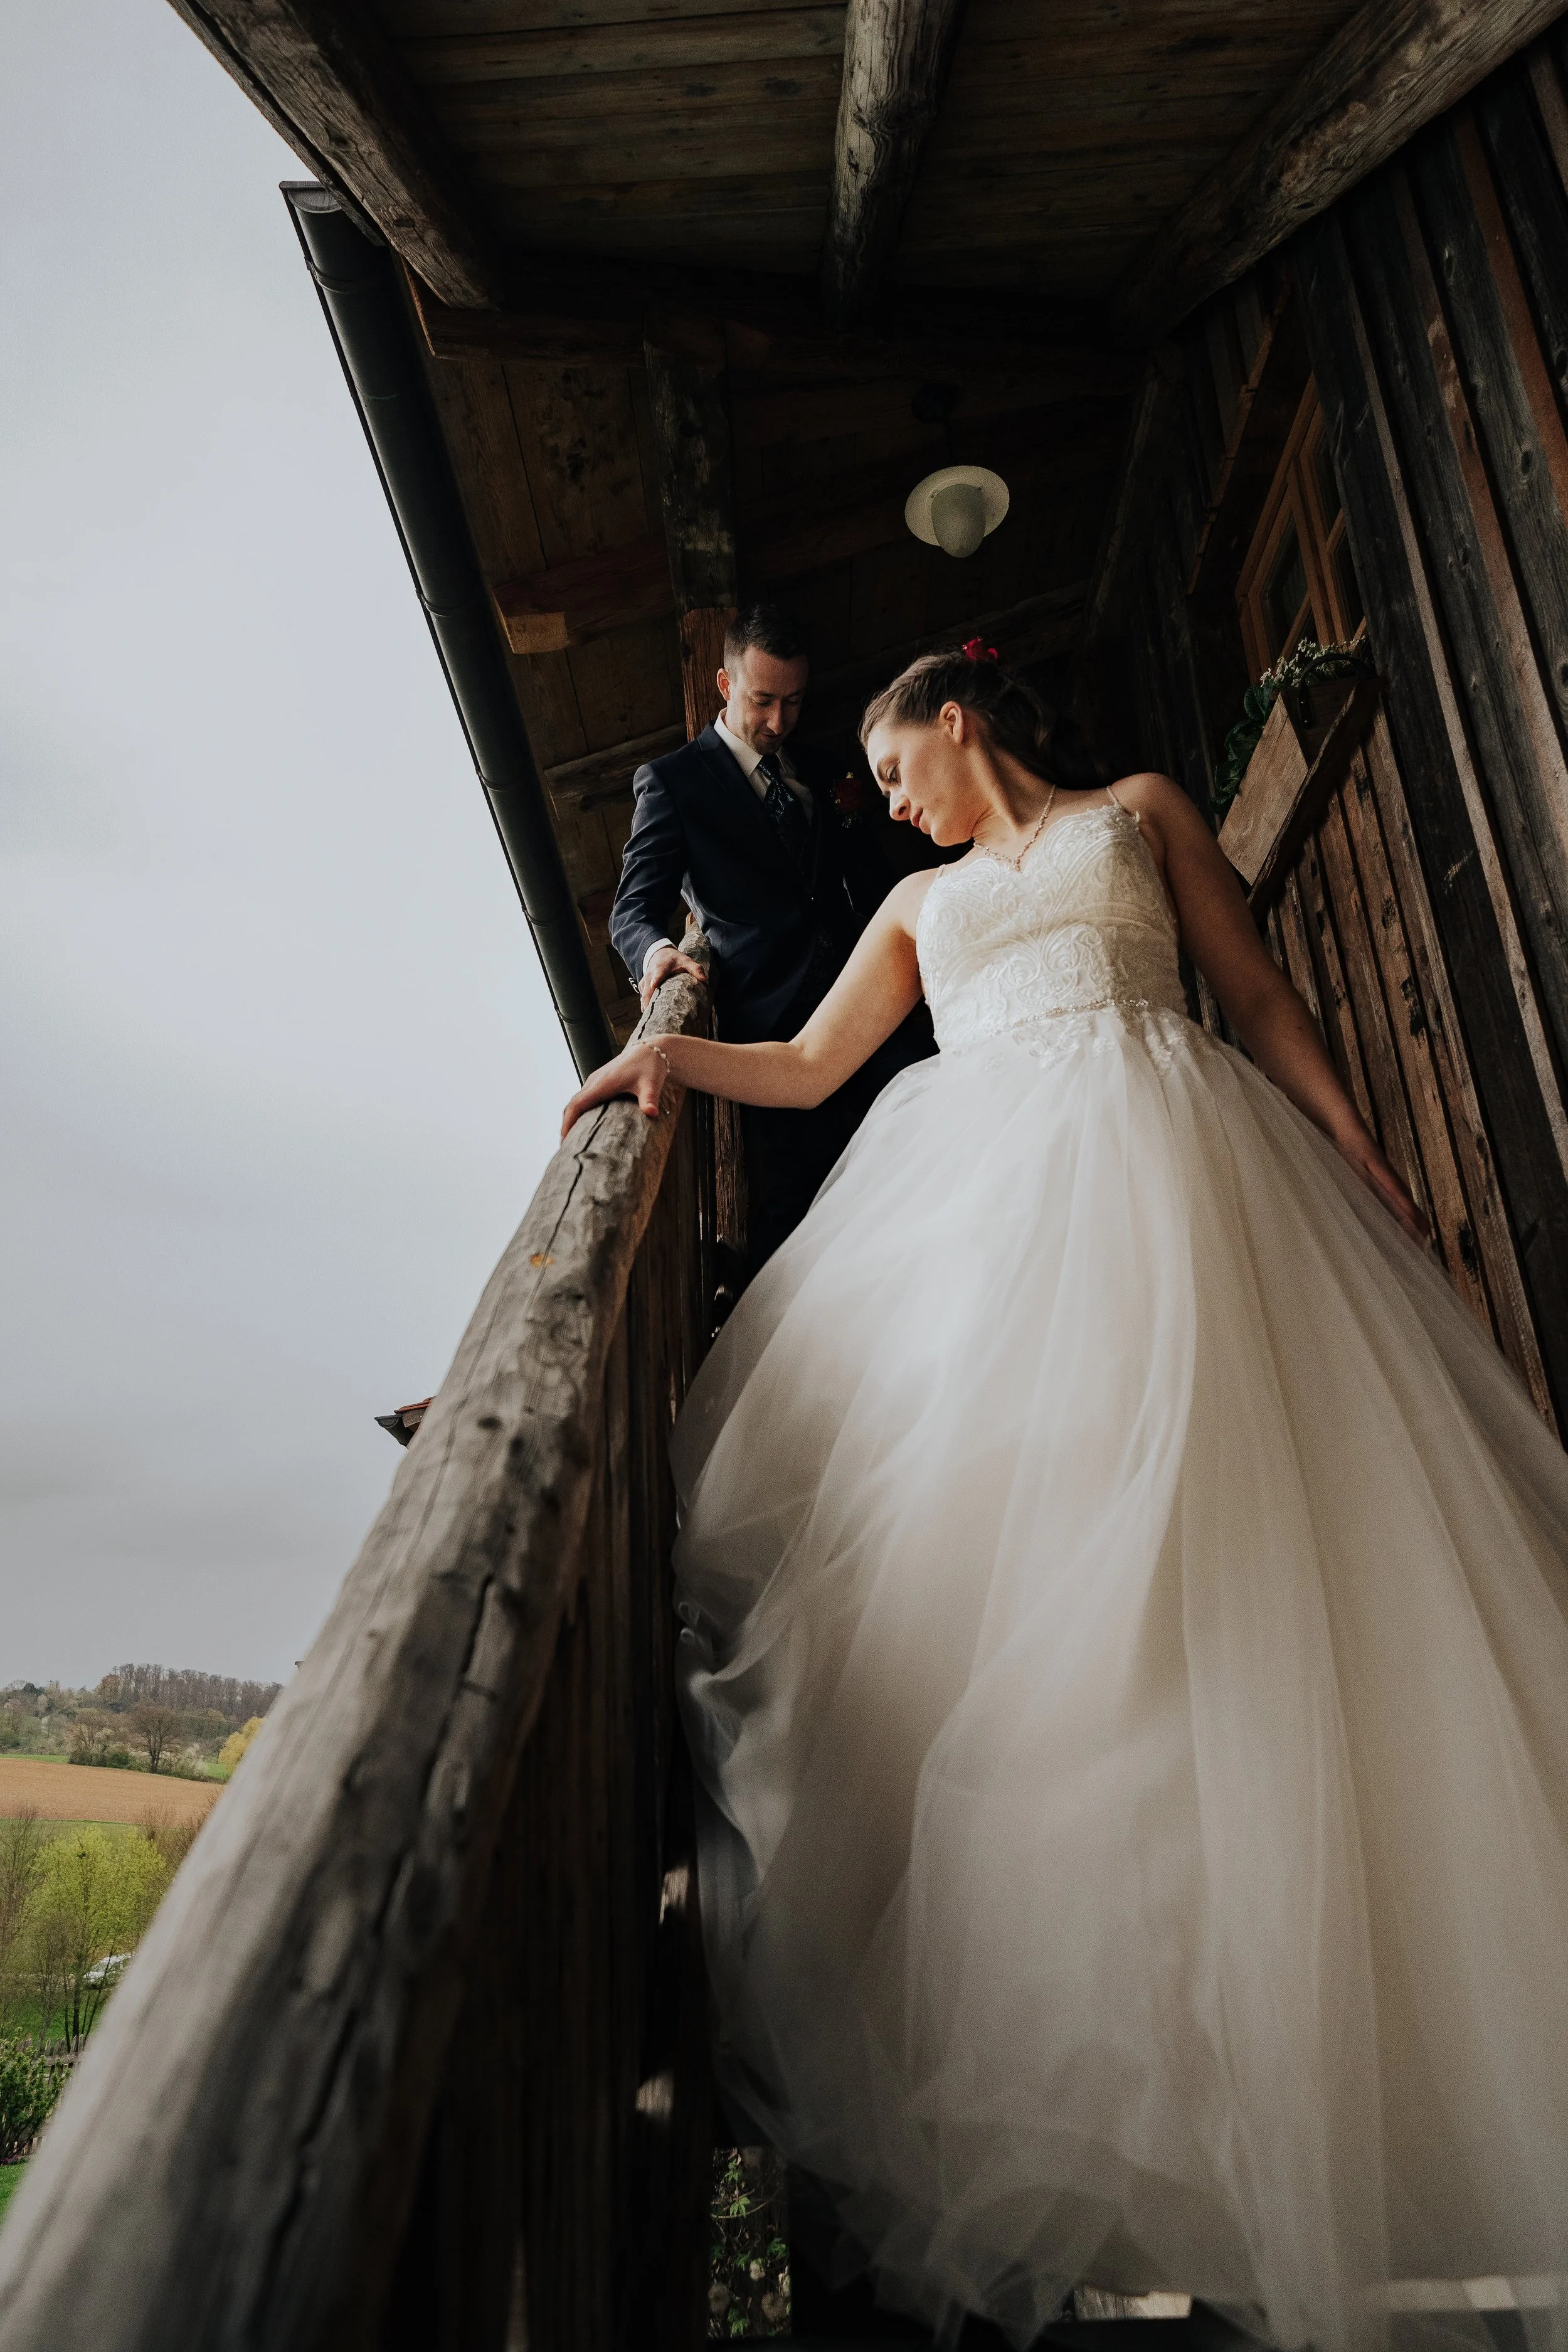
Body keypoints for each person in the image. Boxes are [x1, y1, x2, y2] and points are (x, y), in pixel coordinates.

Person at [566, 647, 1568, 2352]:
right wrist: (654, 1071)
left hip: (1192, 1190)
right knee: (1057, 1638)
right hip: (996, 1246)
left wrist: (1353, 1145)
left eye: (896, 768)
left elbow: (1252, 995)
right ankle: (1140, 2106)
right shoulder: (915, 904)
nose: (884, 801)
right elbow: (809, 1065)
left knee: (1256, 1578)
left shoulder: (1139, 813)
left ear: (962, 719)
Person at [608, 601, 928, 1268]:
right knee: (802, 1215)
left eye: (794, 701)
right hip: (771, 1032)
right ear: (726, 686)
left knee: (919, 1164)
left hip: (876, 1007)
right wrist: (660, 952)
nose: (779, 721)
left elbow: (872, 884)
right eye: (762, 701)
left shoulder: (823, 768)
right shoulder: (671, 784)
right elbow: (632, 910)